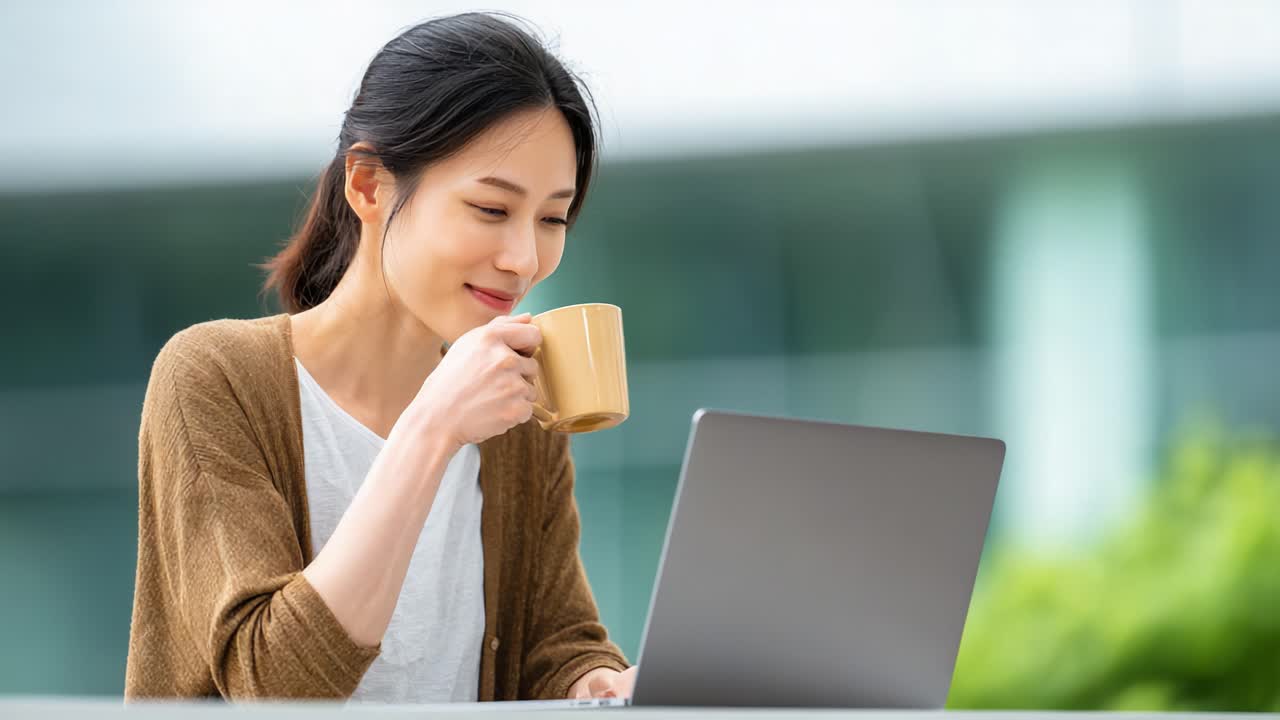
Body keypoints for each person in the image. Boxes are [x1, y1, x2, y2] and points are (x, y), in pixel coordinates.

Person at [124, 11, 635, 703]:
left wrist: (597, 683)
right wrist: (432, 429)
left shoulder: (518, 410)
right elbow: (272, 687)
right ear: (367, 186)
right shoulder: (215, 379)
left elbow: (555, 645)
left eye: (552, 218)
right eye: (491, 209)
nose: (523, 259)